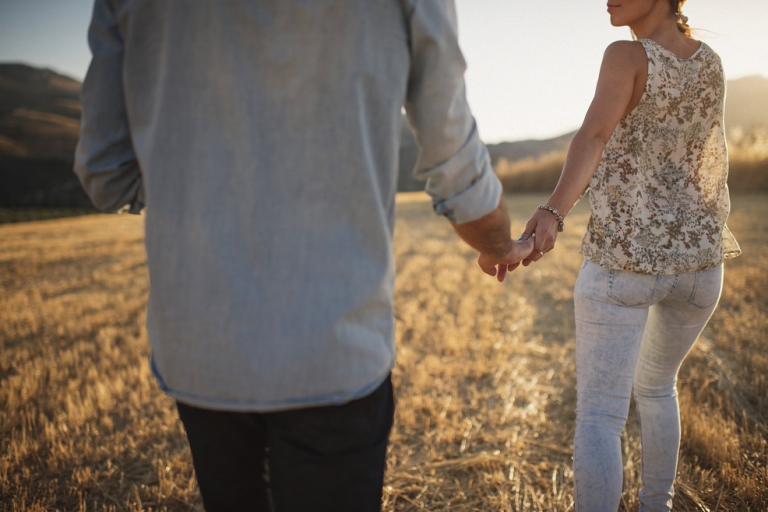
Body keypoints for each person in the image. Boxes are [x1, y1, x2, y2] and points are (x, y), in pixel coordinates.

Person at [74, 1, 533, 510]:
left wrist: (191, 183)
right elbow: (455, 161)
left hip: (202, 347)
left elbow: (105, 171)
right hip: (332, 348)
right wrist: (500, 246)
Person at [501, 1, 741, 510]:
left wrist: (552, 211)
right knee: (657, 388)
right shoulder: (711, 61)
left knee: (600, 416)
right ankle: (658, 504)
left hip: (624, 263)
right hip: (700, 265)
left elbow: (593, 135)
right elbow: (700, 158)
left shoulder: (626, 56)